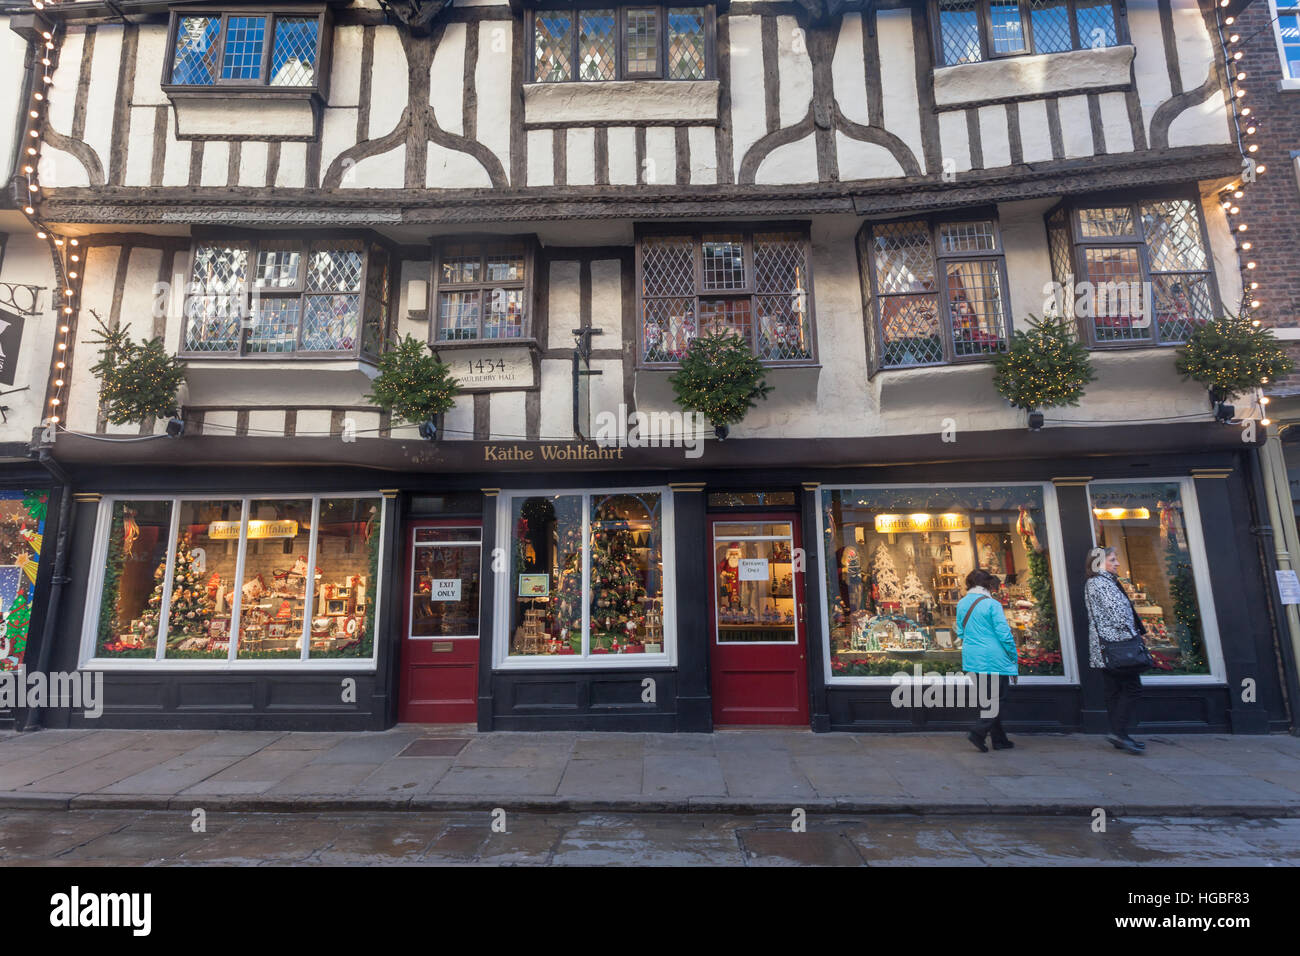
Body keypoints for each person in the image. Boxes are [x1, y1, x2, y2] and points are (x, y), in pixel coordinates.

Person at [1084, 546, 1147, 755]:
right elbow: (1118, 614)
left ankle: (1120, 734)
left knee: (1114, 691)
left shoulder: (1098, 582)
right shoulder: (1101, 583)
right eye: (1112, 560)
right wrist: (1134, 633)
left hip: (1107, 647)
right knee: (1132, 688)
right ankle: (1119, 732)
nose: (1117, 563)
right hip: (1118, 646)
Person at [954, 568, 1018, 752]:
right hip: (994, 658)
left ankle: (999, 740)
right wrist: (1013, 658)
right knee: (998, 699)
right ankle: (978, 732)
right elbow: (1004, 634)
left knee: (988, 699)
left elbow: (960, 632)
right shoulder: (992, 605)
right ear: (987, 584)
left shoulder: (961, 603)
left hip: (972, 658)